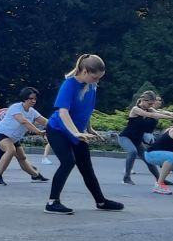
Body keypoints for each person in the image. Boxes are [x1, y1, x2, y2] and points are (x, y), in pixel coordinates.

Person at [43, 54, 123, 216]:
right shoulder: (69, 85)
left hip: (78, 132)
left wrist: (89, 129)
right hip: (57, 129)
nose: (97, 81)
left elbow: (86, 110)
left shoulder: (91, 86)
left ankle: (101, 202)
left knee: (86, 167)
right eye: (95, 77)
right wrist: (75, 132)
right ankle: (52, 202)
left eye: (100, 78)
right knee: (68, 162)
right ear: (85, 71)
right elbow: (63, 112)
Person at [118, 91, 173, 185]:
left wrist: (172, 114)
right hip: (126, 137)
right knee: (132, 152)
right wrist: (170, 118)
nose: (151, 106)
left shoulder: (149, 109)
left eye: (152, 104)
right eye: (150, 103)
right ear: (143, 100)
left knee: (149, 159)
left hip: (137, 140)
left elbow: (160, 112)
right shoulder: (136, 109)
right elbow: (152, 115)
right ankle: (126, 178)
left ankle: (160, 179)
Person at [0, 87, 50, 185]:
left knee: (22, 157)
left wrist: (61, 126)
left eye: (35, 99)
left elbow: (45, 122)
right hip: (0, 134)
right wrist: (39, 132)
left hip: (14, 139)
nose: (33, 101)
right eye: (31, 98)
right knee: (11, 150)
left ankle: (35, 175)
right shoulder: (16, 107)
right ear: (24, 98)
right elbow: (23, 121)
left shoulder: (32, 112)